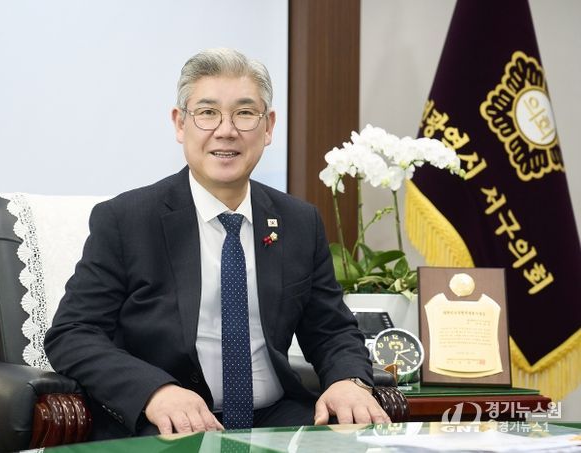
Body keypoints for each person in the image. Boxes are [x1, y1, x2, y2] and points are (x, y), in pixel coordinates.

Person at [44, 48, 390, 440]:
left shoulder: (298, 222)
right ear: (180, 124)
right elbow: (73, 333)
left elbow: (331, 331)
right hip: (165, 425)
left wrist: (348, 380)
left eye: (244, 113)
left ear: (268, 126)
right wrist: (155, 391)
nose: (226, 130)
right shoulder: (127, 220)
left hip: (278, 419)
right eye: (207, 113)